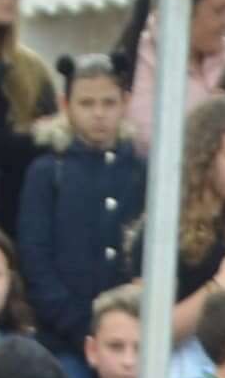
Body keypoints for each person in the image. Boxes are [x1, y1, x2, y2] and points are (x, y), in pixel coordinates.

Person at [12, 57, 139, 361]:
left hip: (131, 338)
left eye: (109, 103)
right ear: (65, 105)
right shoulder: (47, 171)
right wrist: (76, 322)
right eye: (86, 103)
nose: (98, 114)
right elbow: (34, 254)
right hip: (62, 337)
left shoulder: (141, 172)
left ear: (126, 103)